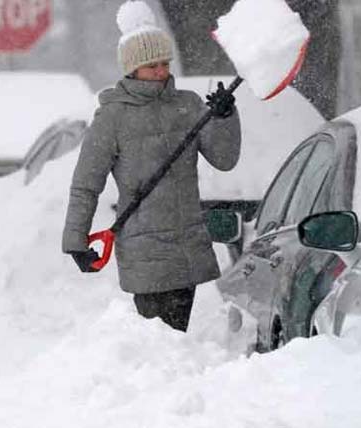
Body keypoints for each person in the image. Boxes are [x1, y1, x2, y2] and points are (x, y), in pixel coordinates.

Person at [62, 0, 241, 332]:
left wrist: (225, 117)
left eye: (163, 63)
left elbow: (225, 159)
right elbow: (86, 183)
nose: (160, 71)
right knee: (160, 339)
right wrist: (75, 240)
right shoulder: (112, 117)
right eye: (151, 66)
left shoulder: (187, 105)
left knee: (176, 337)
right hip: (145, 251)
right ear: (131, 69)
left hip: (187, 245)